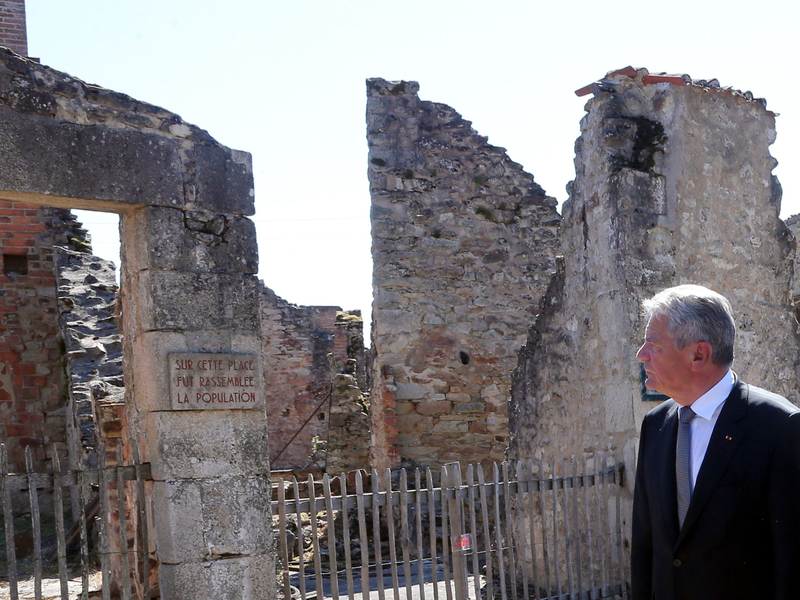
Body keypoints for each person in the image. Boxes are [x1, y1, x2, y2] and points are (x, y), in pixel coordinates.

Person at [631, 284, 800, 600]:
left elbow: (792, 556)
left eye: (653, 343)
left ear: (698, 354)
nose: (642, 355)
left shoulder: (779, 427)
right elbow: (645, 542)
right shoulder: (655, 425)